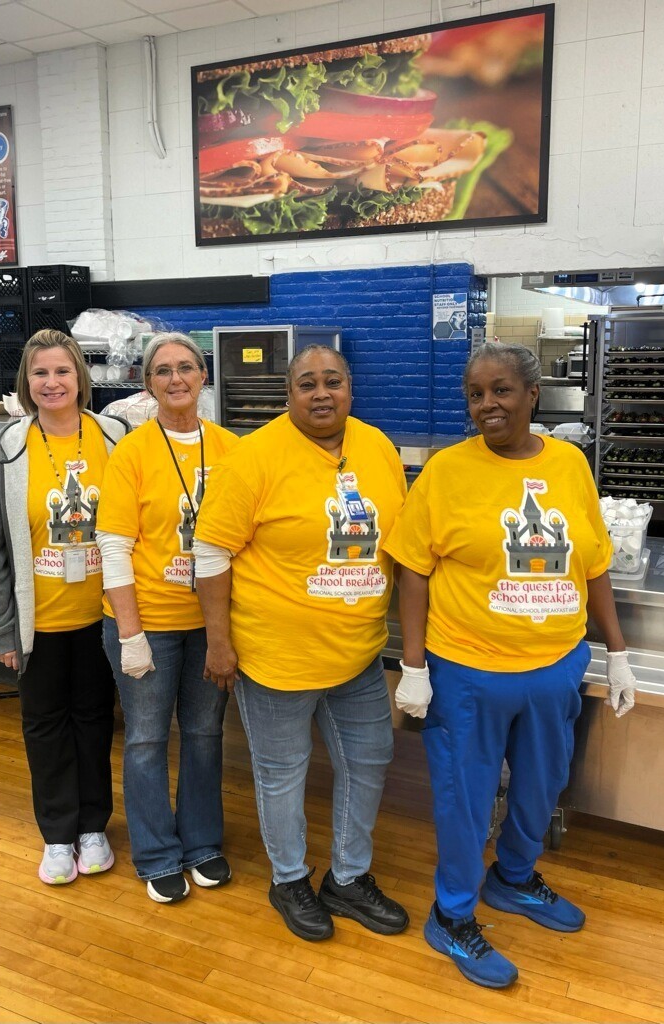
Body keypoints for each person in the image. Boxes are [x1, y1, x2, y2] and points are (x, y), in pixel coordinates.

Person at [384, 341, 637, 989]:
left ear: (532, 395)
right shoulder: (445, 471)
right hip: (467, 672)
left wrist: (618, 653)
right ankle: (452, 915)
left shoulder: (569, 464)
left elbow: (593, 560)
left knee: (541, 784)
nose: (486, 404)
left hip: (554, 665)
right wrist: (413, 666)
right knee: (464, 801)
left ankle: (514, 878)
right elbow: (412, 570)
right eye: (474, 394)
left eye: (500, 390)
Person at [193, 344, 410, 942]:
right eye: (307, 383)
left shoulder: (377, 447)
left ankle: (347, 878)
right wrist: (219, 641)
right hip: (275, 654)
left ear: (350, 388)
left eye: (333, 381)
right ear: (288, 393)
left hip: (359, 651)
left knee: (368, 761)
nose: (322, 393)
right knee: (282, 772)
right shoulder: (254, 456)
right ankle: (289, 879)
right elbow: (210, 550)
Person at [0, 329, 129, 886]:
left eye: (62, 371)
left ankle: (93, 827)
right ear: (27, 384)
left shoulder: (115, 436)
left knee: (94, 721)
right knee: (44, 726)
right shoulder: (9, 448)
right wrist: (0, 630)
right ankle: (58, 835)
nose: (52, 382)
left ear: (80, 379)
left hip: (103, 617)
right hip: (37, 623)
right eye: (41, 373)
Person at [96, 332, 238, 904]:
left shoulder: (232, 449)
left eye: (186, 368)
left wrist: (227, 628)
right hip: (147, 620)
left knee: (205, 734)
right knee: (148, 740)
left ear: (204, 376)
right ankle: (156, 853)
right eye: (163, 371)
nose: (176, 379)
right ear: (147, 384)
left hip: (210, 623)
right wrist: (130, 634)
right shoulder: (132, 452)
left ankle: (202, 843)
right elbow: (113, 545)